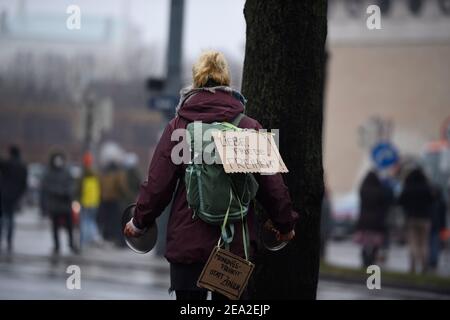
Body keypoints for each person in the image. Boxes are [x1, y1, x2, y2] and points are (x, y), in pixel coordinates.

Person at [124, 50, 298, 300]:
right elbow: (274, 187)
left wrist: (139, 221)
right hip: (232, 249)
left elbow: (157, 185)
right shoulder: (248, 128)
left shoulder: (179, 127)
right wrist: (285, 224)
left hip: (188, 246)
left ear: (196, 82)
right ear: (227, 82)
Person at [40, 152, 78, 255]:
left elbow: (71, 185)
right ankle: (57, 246)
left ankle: (71, 244)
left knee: (69, 227)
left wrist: (66, 192)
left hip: (65, 204)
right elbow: (46, 186)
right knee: (55, 227)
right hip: (55, 205)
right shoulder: (49, 173)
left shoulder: (66, 172)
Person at [354, 171, 393, 268]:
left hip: (364, 219)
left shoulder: (363, 189)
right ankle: (372, 258)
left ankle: (364, 257)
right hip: (376, 220)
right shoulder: (380, 191)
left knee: (365, 241)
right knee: (375, 241)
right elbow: (384, 204)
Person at [399, 167, 433, 274]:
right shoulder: (426, 187)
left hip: (411, 218)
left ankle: (412, 266)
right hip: (425, 218)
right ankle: (424, 265)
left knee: (413, 243)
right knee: (424, 243)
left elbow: (400, 201)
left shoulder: (408, 187)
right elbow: (432, 200)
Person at [0, 146, 28, 254]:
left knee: (2, 218)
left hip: (3, 194)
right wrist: (19, 195)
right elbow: (24, 184)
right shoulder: (22, 166)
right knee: (11, 219)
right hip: (14, 196)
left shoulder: (7, 164)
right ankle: (9, 240)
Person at [98, 159, 130, 247]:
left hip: (104, 201)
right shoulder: (118, 174)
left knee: (107, 222)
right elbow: (122, 186)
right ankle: (120, 241)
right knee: (118, 221)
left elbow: (100, 186)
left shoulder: (103, 174)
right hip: (115, 200)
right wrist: (127, 196)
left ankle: (108, 238)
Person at [77, 152, 101, 250]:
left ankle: (85, 240)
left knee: (84, 221)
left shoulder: (82, 175)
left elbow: (78, 189)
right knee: (91, 221)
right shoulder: (95, 174)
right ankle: (92, 238)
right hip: (94, 202)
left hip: (85, 201)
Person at [428, 184, 447, 272]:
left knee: (433, 243)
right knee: (434, 244)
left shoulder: (430, 202)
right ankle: (433, 261)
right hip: (437, 226)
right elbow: (443, 218)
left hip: (433, 225)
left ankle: (432, 261)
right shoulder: (442, 202)